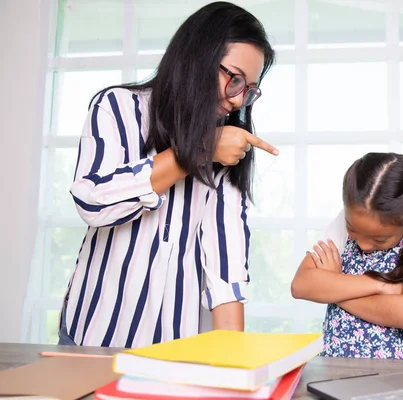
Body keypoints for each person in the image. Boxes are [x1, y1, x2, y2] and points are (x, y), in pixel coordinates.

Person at [59, 1, 277, 348]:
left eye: (248, 88)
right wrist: (199, 151)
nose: (238, 100)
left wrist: (236, 367)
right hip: (91, 339)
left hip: (172, 352)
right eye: (233, 78)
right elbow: (94, 203)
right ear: (197, 57)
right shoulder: (119, 108)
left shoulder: (228, 147)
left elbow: (226, 270)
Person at [291, 152, 403, 359]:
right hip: (332, 366)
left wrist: (335, 287)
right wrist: (384, 287)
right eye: (353, 230)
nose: (363, 245)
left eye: (380, 240)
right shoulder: (355, 216)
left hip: (393, 376)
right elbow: (301, 285)